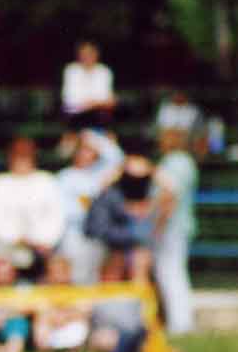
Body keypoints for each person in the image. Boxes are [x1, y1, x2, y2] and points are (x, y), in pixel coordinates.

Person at [0, 136, 65, 280]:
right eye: (18, 154)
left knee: (58, 268)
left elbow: (57, 218)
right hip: (6, 247)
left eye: (26, 155)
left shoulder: (48, 182)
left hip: (43, 247)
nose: (22, 159)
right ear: (10, 157)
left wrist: (41, 240)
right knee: (0, 264)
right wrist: (16, 239)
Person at [54, 128, 124, 284]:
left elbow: (117, 158)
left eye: (89, 151)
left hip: (96, 234)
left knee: (92, 278)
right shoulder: (64, 177)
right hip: (71, 234)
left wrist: (90, 136)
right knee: (72, 277)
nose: (85, 154)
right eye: (81, 150)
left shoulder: (98, 174)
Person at [151, 128, 199, 336]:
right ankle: (178, 322)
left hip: (172, 229)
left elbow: (169, 196)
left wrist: (158, 227)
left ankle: (180, 324)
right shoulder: (182, 162)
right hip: (177, 227)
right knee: (171, 274)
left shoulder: (176, 162)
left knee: (171, 274)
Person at [84, 149, 157, 285]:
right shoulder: (111, 193)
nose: (136, 181)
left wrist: (152, 170)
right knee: (117, 264)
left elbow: (170, 190)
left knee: (140, 259)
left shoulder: (148, 194)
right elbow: (99, 229)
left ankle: (139, 300)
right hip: (108, 240)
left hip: (129, 240)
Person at [60, 40, 115, 131]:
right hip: (74, 115)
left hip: (99, 115)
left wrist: (93, 103)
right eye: (83, 53)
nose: (87, 56)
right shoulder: (71, 70)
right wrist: (97, 102)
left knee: (108, 131)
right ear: (78, 55)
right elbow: (70, 100)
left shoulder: (104, 71)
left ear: (97, 54)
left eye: (90, 53)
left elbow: (109, 100)